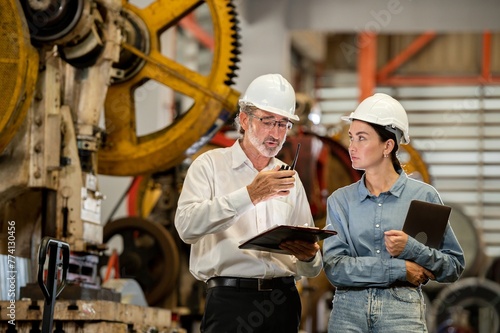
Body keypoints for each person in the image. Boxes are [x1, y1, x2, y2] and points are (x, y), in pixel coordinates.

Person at [174, 73, 322, 333]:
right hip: (230, 303)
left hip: (283, 302)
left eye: (283, 124)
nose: (276, 133)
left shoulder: (290, 179)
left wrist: (310, 258)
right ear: (244, 119)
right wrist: (250, 195)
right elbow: (186, 227)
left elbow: (309, 266)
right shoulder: (209, 166)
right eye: (268, 122)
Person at [322, 93, 465, 333]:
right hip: (348, 313)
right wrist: (400, 269)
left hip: (402, 313)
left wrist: (412, 248)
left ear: (388, 145)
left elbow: (453, 266)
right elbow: (335, 268)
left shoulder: (423, 197)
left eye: (362, 138)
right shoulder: (341, 201)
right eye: (351, 138)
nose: (351, 147)